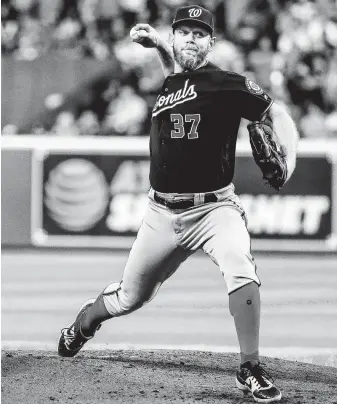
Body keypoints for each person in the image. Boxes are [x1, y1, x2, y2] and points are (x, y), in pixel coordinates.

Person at [58, 5, 298, 403]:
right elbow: (176, 73)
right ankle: (83, 324)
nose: (191, 37)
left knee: (240, 267)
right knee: (129, 298)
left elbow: (278, 114)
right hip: (160, 214)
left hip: (213, 210)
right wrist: (156, 45)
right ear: (174, 39)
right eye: (183, 31)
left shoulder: (228, 84)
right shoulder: (171, 82)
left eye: (199, 33)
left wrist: (288, 161)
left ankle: (249, 367)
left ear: (211, 43)